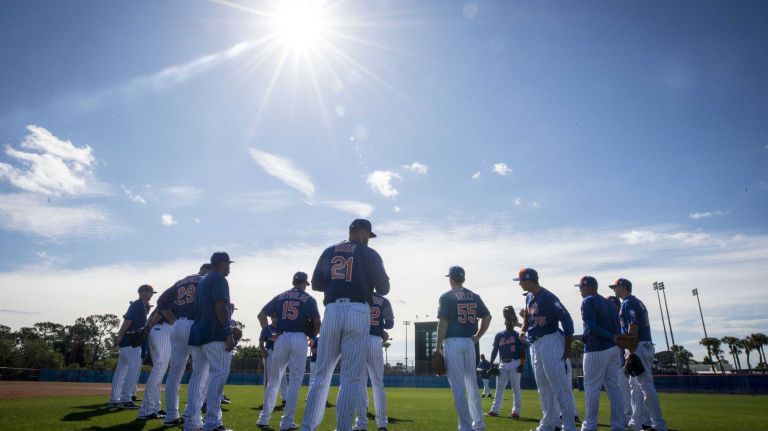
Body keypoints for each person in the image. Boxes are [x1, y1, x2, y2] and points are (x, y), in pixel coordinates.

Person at [301, 218, 390, 431]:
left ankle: (307, 427)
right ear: (363, 233)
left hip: (332, 310)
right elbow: (384, 289)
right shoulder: (369, 254)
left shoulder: (329, 251)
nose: (369, 239)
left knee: (321, 374)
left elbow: (316, 284)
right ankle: (343, 428)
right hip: (358, 312)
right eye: (369, 235)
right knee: (350, 376)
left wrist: (340, 283)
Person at [257, 271, 321, 431]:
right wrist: (313, 336)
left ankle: (263, 419)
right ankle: (286, 422)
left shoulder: (280, 296)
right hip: (299, 338)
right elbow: (317, 321)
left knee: (274, 381)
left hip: (281, 337)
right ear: (305, 283)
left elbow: (261, 315)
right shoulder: (309, 299)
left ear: (293, 282)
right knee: (295, 381)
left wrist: (268, 333)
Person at [517, 267, 577, 431]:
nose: (519, 284)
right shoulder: (529, 297)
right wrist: (523, 329)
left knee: (559, 386)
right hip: (535, 344)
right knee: (543, 388)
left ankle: (569, 426)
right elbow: (527, 319)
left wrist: (567, 347)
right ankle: (550, 424)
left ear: (528, 280)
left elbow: (567, 320)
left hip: (550, 340)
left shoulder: (548, 297)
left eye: (520, 281)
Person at [154, 263, 211, 427]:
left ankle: (171, 416)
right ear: (209, 270)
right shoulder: (207, 279)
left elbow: (161, 301)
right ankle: (192, 417)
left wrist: (172, 319)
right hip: (195, 325)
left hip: (177, 325)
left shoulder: (182, 281)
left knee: (175, 372)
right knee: (200, 372)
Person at [435, 265, 491, 431]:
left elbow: (443, 322)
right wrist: (478, 336)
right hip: (469, 342)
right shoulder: (474, 296)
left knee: (458, 387)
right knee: (472, 386)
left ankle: (465, 427)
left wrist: (438, 347)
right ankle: (479, 424)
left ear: (451, 278)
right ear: (463, 279)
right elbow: (487, 317)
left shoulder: (446, 297)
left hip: (452, 343)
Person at [185, 252, 235, 431]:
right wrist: (228, 332)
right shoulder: (219, 278)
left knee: (198, 377)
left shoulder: (203, 280)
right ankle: (212, 423)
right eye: (228, 264)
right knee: (218, 374)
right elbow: (220, 306)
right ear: (222, 264)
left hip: (197, 333)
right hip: (214, 334)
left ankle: (191, 422)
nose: (229, 267)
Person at [611, 278, 668, 431]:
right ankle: (638, 423)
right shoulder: (635, 302)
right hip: (642, 345)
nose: (614, 290)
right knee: (635, 387)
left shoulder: (629, 302)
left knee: (645, 386)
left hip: (638, 346)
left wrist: (629, 350)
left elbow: (633, 330)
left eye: (615, 287)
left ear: (623, 287)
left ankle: (658, 424)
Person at [575, 276, 623, 431]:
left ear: (588, 287)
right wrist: (614, 338)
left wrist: (610, 336)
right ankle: (618, 426)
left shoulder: (588, 300)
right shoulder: (608, 303)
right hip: (613, 349)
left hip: (597, 349)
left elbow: (591, 326)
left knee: (592, 388)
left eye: (581, 287)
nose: (580, 291)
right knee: (613, 388)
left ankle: (589, 426)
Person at [109, 284, 156, 409]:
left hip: (127, 343)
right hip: (132, 343)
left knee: (121, 372)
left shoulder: (140, 305)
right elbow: (127, 321)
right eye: (150, 292)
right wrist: (119, 335)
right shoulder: (138, 304)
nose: (151, 295)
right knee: (133, 370)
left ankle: (115, 398)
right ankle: (126, 399)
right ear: (143, 292)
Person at [353, 291, 395, 431]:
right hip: (375, 340)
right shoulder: (383, 301)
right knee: (378, 383)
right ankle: (382, 424)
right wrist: (380, 326)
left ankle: (361, 424)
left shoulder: (357, 295)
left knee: (360, 382)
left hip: (359, 339)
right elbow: (390, 323)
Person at [607, 295, 648, 429]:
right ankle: (638, 419)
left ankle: (636, 419)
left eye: (611, 305)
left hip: (627, 358)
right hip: (623, 360)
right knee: (633, 390)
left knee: (634, 389)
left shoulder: (620, 318)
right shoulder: (617, 319)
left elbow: (630, 335)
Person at [486, 305, 525, 418]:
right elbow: (495, 350)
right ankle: (495, 410)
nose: (508, 323)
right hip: (503, 363)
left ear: (513, 323)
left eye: (510, 322)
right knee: (499, 388)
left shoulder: (518, 335)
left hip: (515, 362)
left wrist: (522, 364)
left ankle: (516, 412)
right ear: (505, 323)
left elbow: (522, 350)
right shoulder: (499, 335)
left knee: (515, 388)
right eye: (507, 322)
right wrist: (491, 363)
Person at [259, 321, 288, 407]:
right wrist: (262, 350)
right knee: (268, 376)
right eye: (273, 315)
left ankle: (285, 399)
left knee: (283, 376)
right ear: (271, 317)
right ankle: (267, 398)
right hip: (270, 352)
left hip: (281, 352)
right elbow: (261, 342)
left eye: (276, 316)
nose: (275, 317)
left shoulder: (283, 327)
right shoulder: (266, 329)